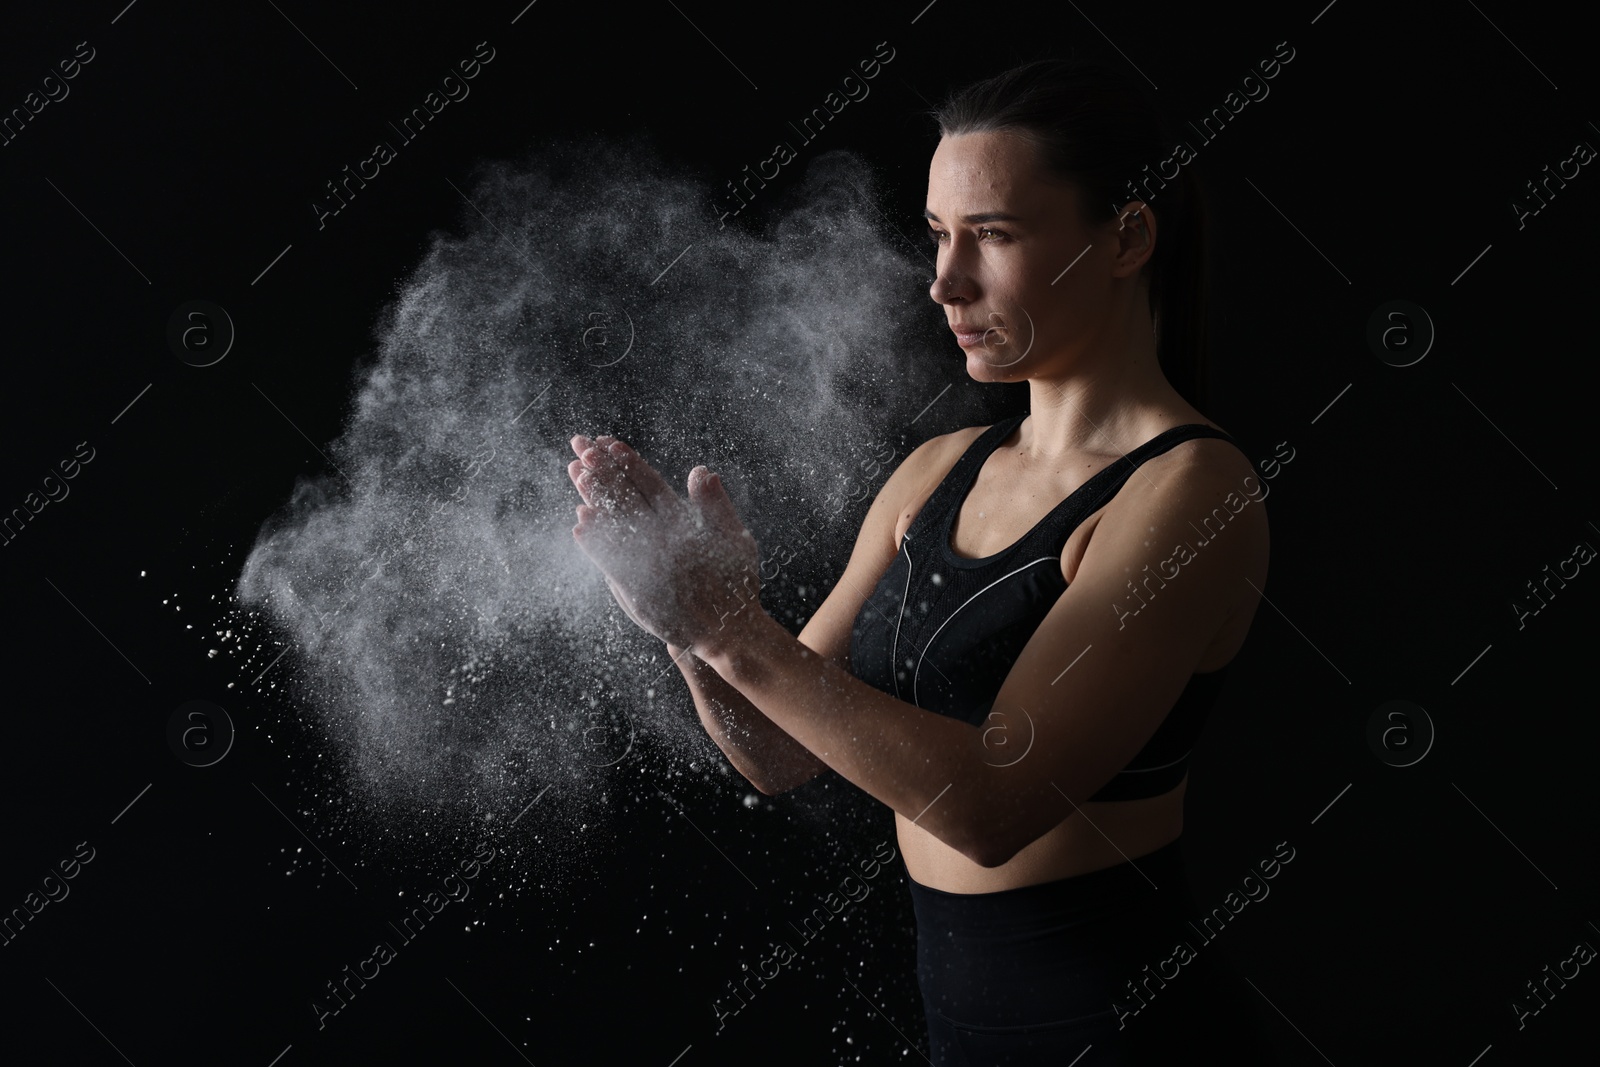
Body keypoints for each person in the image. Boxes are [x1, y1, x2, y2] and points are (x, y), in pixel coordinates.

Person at [566, 57, 1270, 1065]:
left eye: (992, 234)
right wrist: (685, 622)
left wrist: (728, 625)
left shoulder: (1192, 492)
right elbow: (775, 752)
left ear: (1125, 237)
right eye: (938, 235)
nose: (944, 282)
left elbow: (993, 807)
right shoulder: (939, 470)